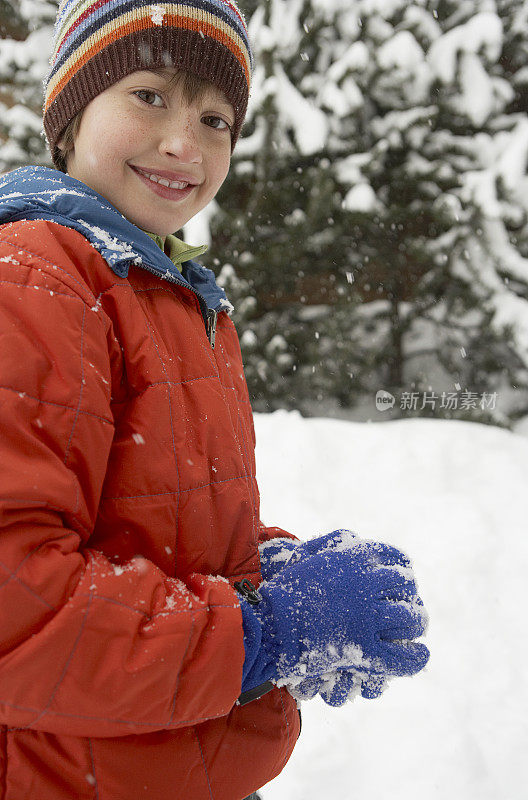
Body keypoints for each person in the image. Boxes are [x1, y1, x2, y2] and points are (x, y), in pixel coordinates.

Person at [0, 2, 429, 799]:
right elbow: (14, 603)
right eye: (148, 96)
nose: (183, 143)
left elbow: (150, 517)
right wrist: (262, 632)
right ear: (68, 114)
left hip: (157, 765)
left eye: (215, 117)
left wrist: (267, 568)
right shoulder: (34, 280)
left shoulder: (167, 294)